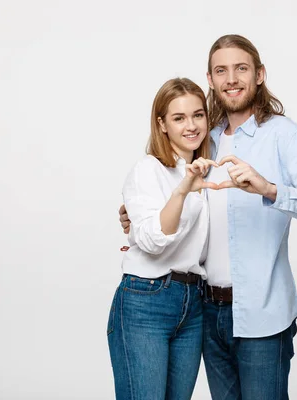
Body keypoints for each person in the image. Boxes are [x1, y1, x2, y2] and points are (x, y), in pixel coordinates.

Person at [119, 34, 297, 399]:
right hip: (205, 313)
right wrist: (136, 214)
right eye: (221, 70)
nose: (231, 78)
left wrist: (269, 188)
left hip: (262, 314)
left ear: (259, 74)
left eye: (241, 68)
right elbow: (176, 197)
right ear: (210, 79)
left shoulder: (284, 135)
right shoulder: (205, 139)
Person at [107, 77, 219, 400]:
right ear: (162, 124)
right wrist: (182, 191)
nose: (191, 126)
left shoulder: (206, 170)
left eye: (198, 115)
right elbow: (154, 241)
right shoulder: (148, 170)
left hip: (193, 303)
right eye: (179, 118)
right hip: (147, 300)